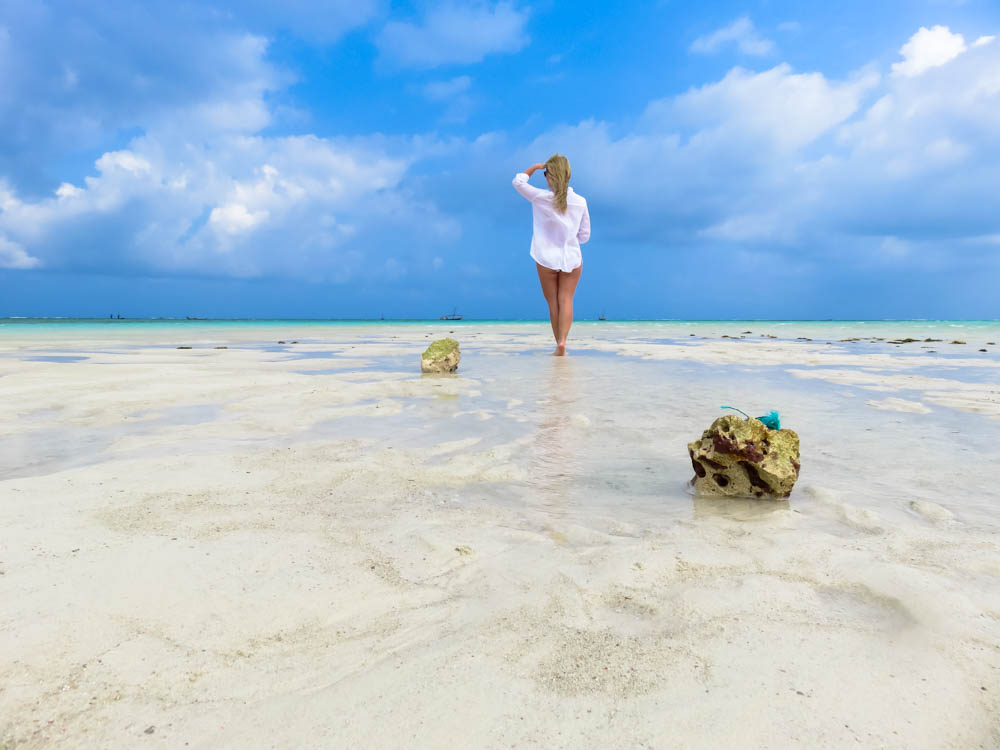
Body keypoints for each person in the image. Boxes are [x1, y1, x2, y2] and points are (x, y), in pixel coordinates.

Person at [512, 154, 590, 356]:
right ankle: (563, 342)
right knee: (566, 299)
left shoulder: (540, 197)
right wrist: (568, 239)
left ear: (549, 176)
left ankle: (558, 344)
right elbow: (584, 236)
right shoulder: (580, 202)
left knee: (553, 302)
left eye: (546, 174)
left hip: (545, 257)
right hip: (572, 258)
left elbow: (518, 182)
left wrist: (535, 167)